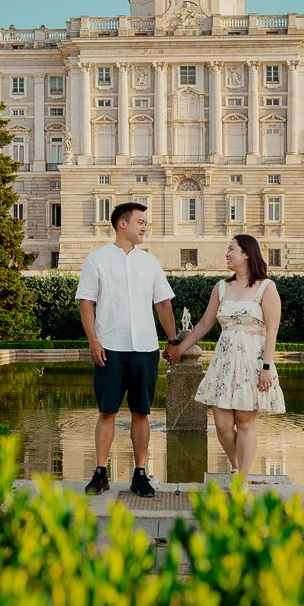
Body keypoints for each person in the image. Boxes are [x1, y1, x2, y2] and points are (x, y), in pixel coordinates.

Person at [75, 202, 179, 497]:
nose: (145, 227)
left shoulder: (150, 263)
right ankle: (100, 472)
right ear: (123, 224)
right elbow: (86, 304)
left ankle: (140, 473)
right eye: (140, 222)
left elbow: (163, 304)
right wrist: (94, 342)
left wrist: (172, 341)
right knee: (107, 412)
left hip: (145, 349)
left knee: (141, 413)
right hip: (110, 348)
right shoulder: (97, 260)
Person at [172, 234, 285, 481]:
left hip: (252, 362)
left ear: (246, 254)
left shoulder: (267, 287)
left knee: (244, 422)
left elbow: (273, 329)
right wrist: (180, 349)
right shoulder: (220, 287)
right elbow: (204, 323)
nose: (227, 253)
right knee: (222, 425)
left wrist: (267, 366)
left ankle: (241, 477)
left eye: (231, 249)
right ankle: (235, 466)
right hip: (224, 362)